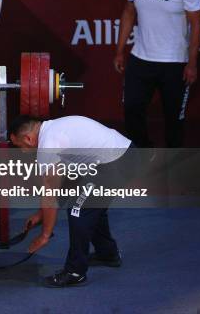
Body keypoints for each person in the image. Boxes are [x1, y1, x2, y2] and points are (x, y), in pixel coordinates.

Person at [9, 115, 135, 287]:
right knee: (89, 205)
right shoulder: (54, 130)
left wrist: (45, 235)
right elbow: (67, 183)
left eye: (19, 146)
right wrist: (41, 215)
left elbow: (50, 194)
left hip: (116, 162)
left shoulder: (48, 144)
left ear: (28, 139)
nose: (22, 151)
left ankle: (75, 272)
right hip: (123, 156)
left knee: (79, 210)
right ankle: (108, 254)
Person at [114, 0, 200, 148]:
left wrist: (192, 64)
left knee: (174, 119)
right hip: (140, 59)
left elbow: (196, 25)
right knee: (131, 109)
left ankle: (172, 163)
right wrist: (119, 51)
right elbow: (128, 12)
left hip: (174, 62)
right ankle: (144, 153)